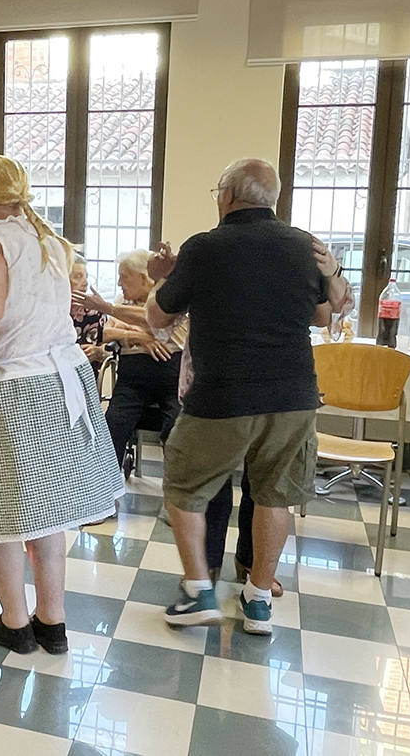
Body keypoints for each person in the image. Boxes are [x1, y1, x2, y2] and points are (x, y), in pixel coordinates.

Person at [0, 154, 124, 655]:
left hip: (8, 387)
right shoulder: (47, 239)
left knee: (2, 510)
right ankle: (52, 621)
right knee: (48, 512)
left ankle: (15, 623)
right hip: (59, 385)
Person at [147, 158, 333, 636]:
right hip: (293, 393)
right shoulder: (303, 246)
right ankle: (257, 600)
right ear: (272, 198)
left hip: (223, 394)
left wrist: (163, 277)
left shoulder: (205, 248)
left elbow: (158, 318)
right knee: (275, 495)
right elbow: (321, 315)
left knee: (185, 488)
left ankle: (197, 591)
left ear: (226, 196)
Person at [202, 237, 354, 596]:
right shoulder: (219, 250)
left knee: (265, 483)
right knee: (220, 480)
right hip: (227, 376)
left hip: (275, 382)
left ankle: (251, 565)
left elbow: (325, 314)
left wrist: (330, 272)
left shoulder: (300, 253)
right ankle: (212, 566)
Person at [100, 250, 188, 477]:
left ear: (142, 277)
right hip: (132, 381)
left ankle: (176, 493)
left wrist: (127, 327)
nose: (119, 283)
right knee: (113, 423)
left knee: (176, 429)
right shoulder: (122, 302)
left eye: (124, 276)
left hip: (171, 378)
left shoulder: (166, 300)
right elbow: (105, 333)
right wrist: (138, 337)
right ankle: (107, 491)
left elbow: (161, 324)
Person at [68, 255, 107, 371]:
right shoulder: (51, 310)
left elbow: (109, 347)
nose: (85, 283)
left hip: (87, 371)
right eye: (78, 277)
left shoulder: (96, 311)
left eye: (86, 277)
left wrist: (98, 352)